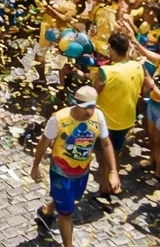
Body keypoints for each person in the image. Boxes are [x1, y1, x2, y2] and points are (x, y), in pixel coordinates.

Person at [32, 87, 116, 247]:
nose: (90, 111)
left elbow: (105, 143)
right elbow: (44, 142)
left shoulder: (99, 117)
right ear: (76, 104)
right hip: (60, 172)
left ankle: (46, 212)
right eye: (86, 107)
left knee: (70, 199)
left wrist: (113, 171)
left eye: (93, 106)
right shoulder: (58, 119)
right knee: (66, 214)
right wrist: (35, 166)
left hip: (82, 170)